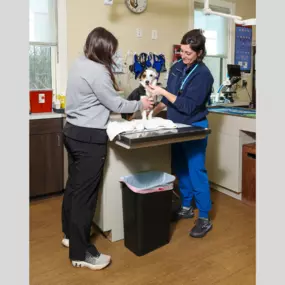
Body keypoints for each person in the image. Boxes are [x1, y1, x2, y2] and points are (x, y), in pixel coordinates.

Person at [61, 27, 153, 270]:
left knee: (73, 188)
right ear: (103, 49)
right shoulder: (98, 71)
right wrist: (140, 102)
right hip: (89, 138)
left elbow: (98, 97)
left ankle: (70, 236)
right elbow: (113, 103)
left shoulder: (80, 62)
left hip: (71, 131)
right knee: (86, 196)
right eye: (112, 50)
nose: (114, 55)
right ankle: (80, 254)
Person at [146, 29, 214, 238]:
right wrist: (151, 111)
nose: (183, 56)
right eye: (182, 51)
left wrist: (162, 92)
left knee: (196, 170)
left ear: (199, 53)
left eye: (188, 53)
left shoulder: (204, 76)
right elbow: (168, 98)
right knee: (180, 168)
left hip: (194, 128)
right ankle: (185, 206)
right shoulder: (176, 68)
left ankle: (204, 216)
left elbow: (187, 106)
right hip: (176, 127)